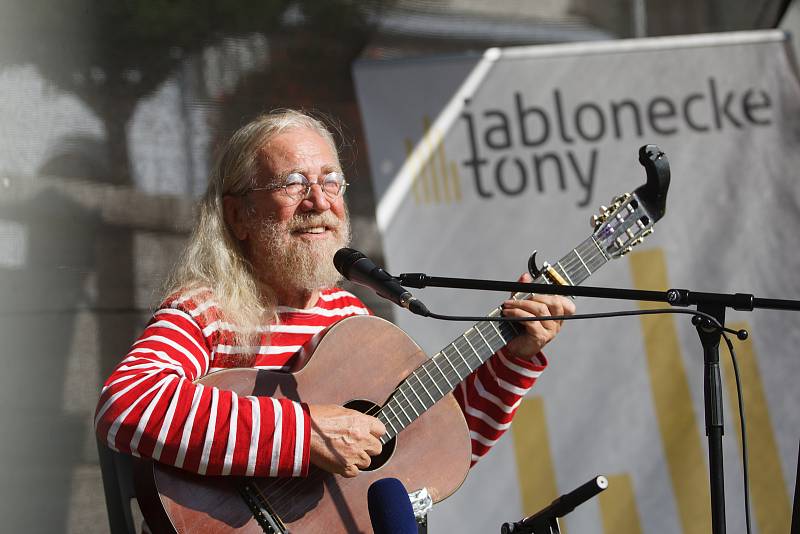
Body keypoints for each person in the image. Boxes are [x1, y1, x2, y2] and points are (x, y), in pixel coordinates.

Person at [94, 109, 575, 485]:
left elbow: (440, 450)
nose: (319, 201)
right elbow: (126, 403)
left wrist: (513, 357)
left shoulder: (348, 316)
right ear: (239, 216)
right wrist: (305, 435)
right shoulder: (205, 309)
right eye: (293, 183)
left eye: (329, 181)